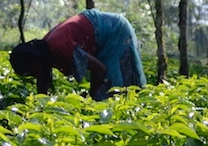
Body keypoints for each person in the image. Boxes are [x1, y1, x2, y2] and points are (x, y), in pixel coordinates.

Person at [10, 8, 146, 100]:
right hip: (102, 30)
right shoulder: (46, 52)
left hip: (114, 31)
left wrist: (90, 96)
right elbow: (42, 84)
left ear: (35, 60)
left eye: (30, 70)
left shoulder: (59, 47)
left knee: (114, 88)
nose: (33, 75)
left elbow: (100, 69)